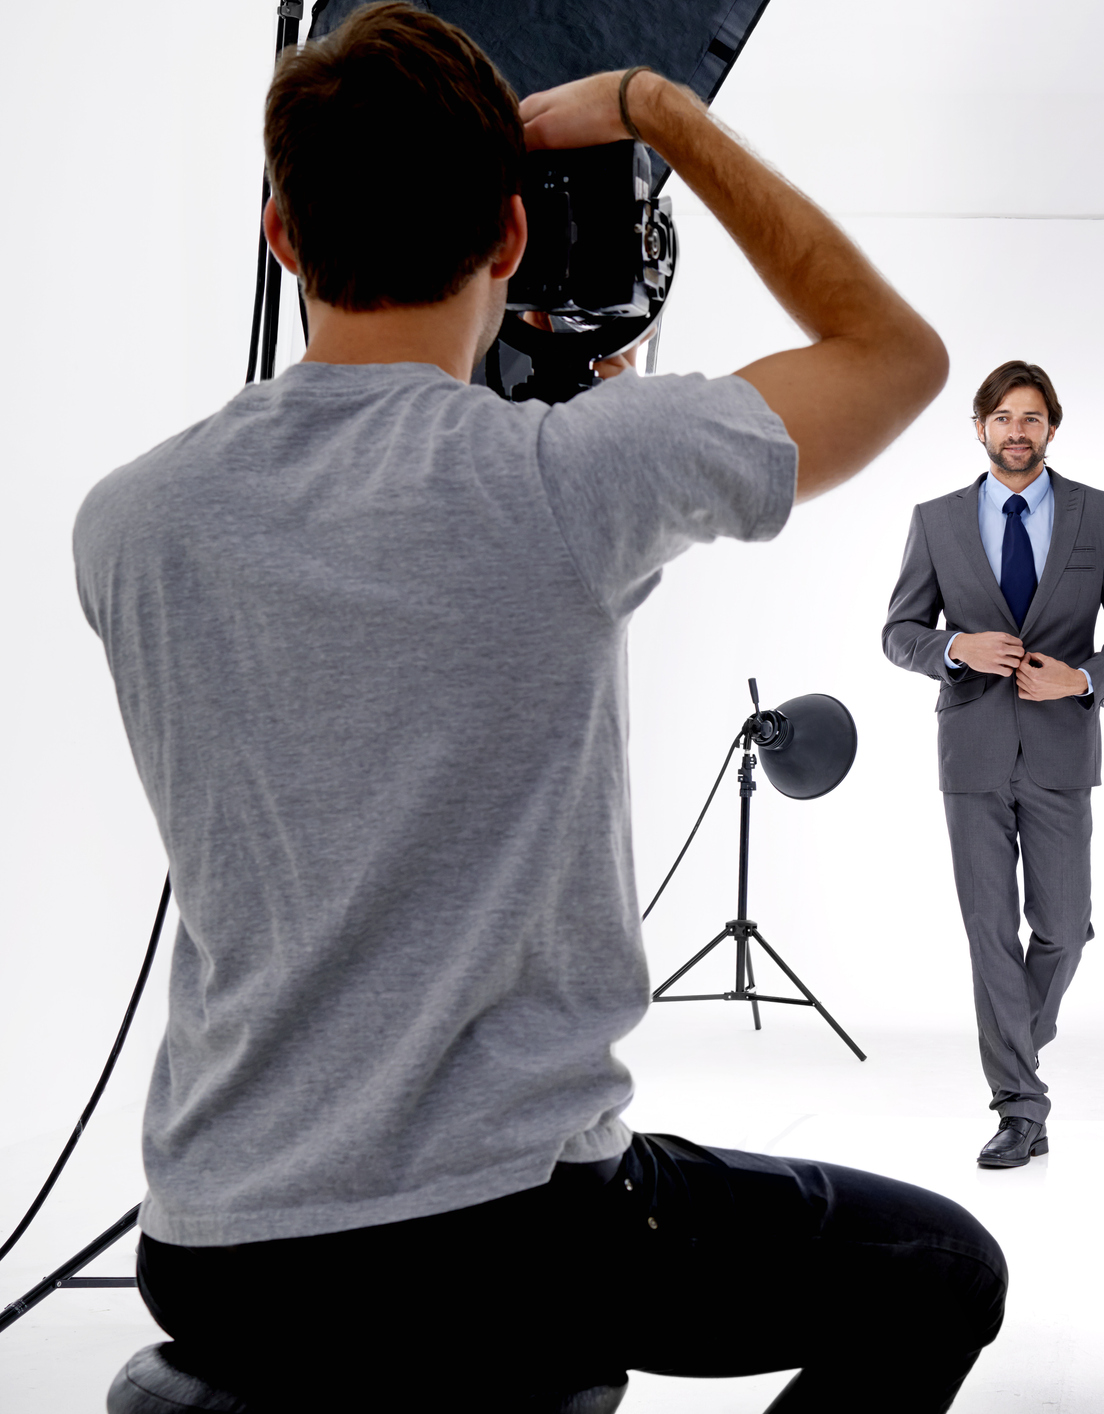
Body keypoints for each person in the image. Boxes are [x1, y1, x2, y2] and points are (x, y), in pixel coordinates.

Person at [73, 8, 1002, 1410]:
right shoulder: (579, 476)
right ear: (509, 238)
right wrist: (653, 111)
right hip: (497, 1239)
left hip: (213, 1242)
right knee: (942, 1269)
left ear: (281, 233)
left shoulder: (130, 521)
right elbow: (894, 357)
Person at [882, 362, 1104, 1168]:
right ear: (979, 428)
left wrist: (1084, 678)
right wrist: (952, 649)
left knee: (1065, 927)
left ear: (1050, 429)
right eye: (1001, 417)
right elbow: (898, 632)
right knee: (988, 933)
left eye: (1030, 418)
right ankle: (1018, 1107)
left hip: (1060, 749)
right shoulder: (935, 520)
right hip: (969, 752)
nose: (1015, 430)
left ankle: (1014, 1041)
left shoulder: (1097, 515)